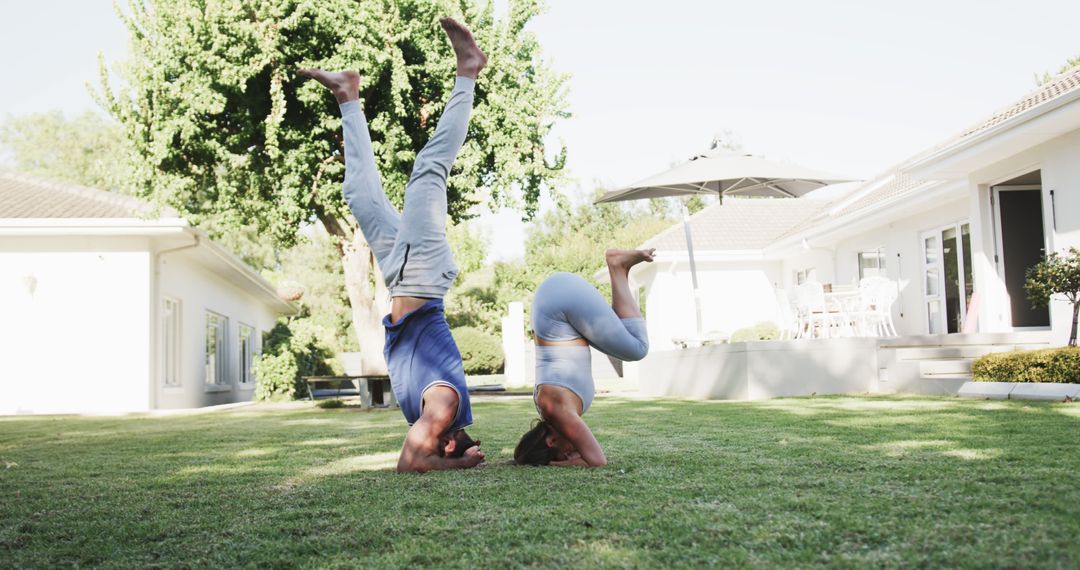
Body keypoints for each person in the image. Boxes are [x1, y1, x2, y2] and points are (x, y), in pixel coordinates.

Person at [299, 17, 487, 473]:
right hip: (423, 274)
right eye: (438, 447)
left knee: (359, 197)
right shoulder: (443, 408)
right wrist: (463, 466)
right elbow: (409, 464)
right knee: (428, 169)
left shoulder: (425, 413)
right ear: (448, 443)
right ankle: (469, 71)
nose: (422, 441)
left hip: (400, 275)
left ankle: (347, 94)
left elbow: (415, 455)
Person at [514, 248, 655, 467]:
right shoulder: (553, 409)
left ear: (551, 441)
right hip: (558, 305)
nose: (573, 454)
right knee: (628, 342)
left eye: (566, 454)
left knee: (637, 348)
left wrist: (550, 465)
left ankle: (617, 266)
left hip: (558, 301)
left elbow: (596, 461)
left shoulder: (557, 411)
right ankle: (620, 269)